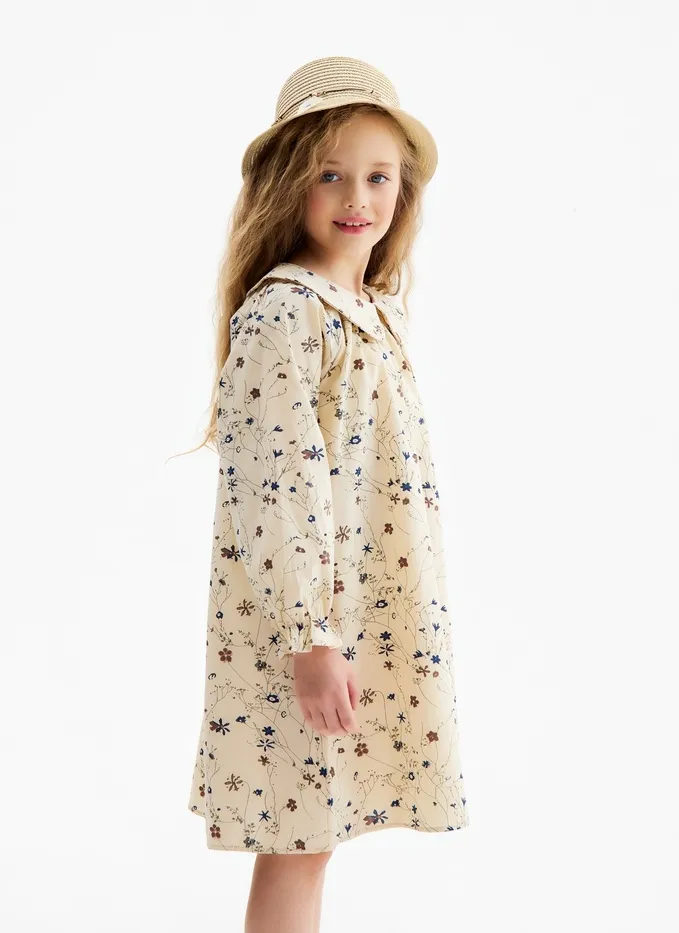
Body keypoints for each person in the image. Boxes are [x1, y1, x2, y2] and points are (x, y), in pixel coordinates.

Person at [183, 55, 469, 933]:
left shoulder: (373, 311)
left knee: (314, 840)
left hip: (356, 616)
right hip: (306, 624)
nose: (358, 197)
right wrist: (309, 633)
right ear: (289, 183)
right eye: (330, 174)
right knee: (297, 842)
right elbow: (279, 485)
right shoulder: (286, 312)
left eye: (378, 176)